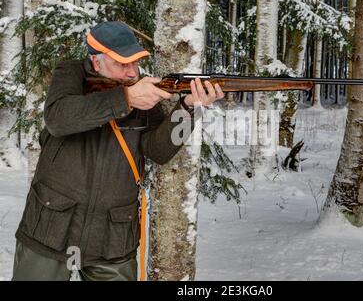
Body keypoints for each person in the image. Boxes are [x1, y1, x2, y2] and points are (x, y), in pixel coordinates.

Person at [12, 21, 224, 281]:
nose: (132, 72)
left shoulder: (143, 91)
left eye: (135, 63)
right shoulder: (71, 73)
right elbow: (58, 119)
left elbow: (158, 151)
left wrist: (190, 108)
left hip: (112, 239)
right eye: (122, 64)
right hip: (52, 230)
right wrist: (126, 99)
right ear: (96, 61)